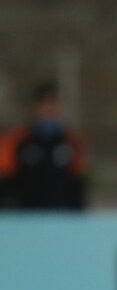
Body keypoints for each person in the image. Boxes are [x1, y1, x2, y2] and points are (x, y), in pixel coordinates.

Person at [0, 81, 89, 210]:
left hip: (62, 215)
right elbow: (6, 182)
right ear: (34, 107)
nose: (48, 108)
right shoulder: (16, 141)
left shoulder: (73, 142)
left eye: (53, 103)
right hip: (26, 215)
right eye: (44, 103)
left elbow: (79, 184)